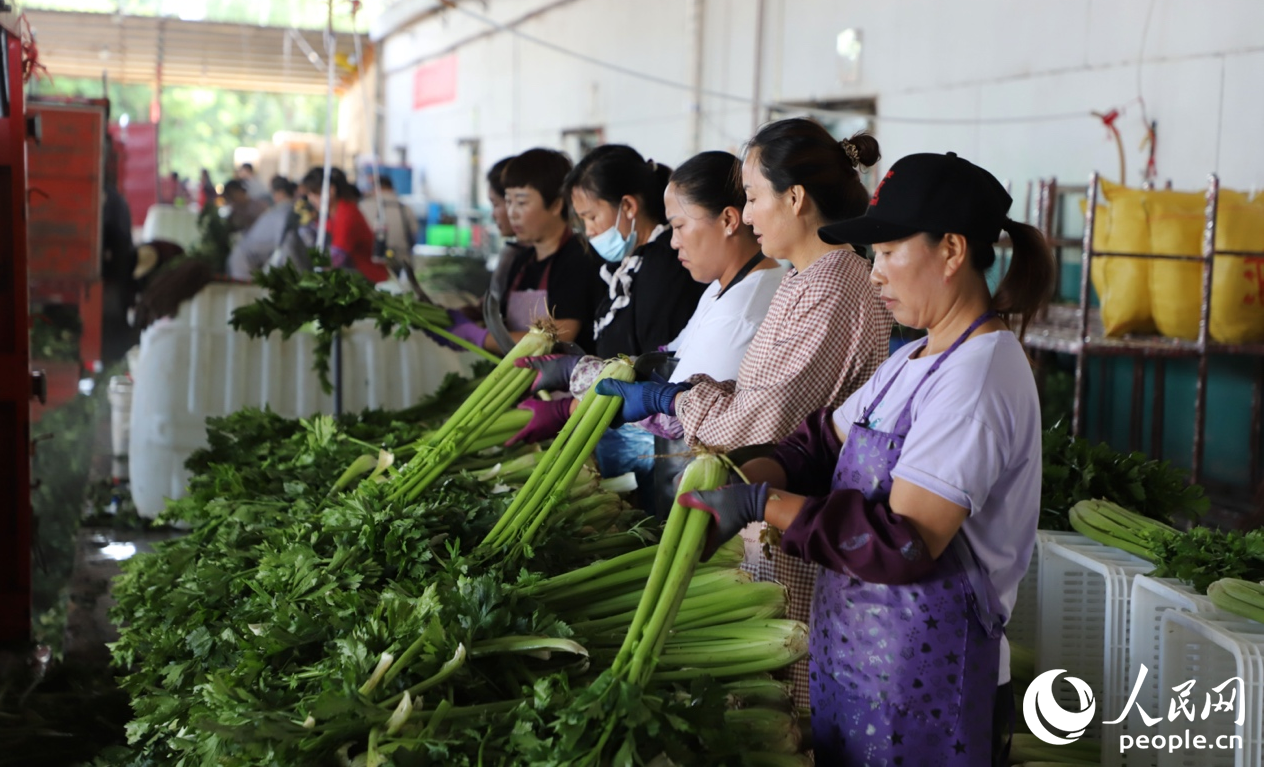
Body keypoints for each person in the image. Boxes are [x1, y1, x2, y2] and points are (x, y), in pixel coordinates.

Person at [680, 151, 1054, 765]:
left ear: (952, 251)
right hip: (863, 672)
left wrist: (759, 504)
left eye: (886, 251)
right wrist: (743, 473)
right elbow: (818, 444)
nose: (874, 273)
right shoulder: (910, 362)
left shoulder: (977, 378)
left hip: (935, 696)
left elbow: (904, 541)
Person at [595, 119, 893, 707]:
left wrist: (672, 398)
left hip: (802, 539)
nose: (749, 215)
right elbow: (759, 390)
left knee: (800, 708)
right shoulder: (805, 280)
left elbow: (764, 419)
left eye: (754, 197)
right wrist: (685, 390)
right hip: (774, 532)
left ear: (795, 198)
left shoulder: (836, 288)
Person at [512, 151, 787, 514]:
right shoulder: (722, 288)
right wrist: (585, 376)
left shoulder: (743, 308)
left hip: (704, 489)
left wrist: (575, 398)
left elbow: (682, 413)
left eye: (679, 226)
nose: (673, 242)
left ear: (728, 220)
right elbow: (667, 355)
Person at [442, 148, 601, 353]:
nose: (512, 213)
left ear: (555, 205)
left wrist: (480, 338)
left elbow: (559, 334)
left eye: (522, 202)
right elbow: (501, 319)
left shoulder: (577, 259)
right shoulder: (521, 262)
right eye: (508, 201)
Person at [302, 166, 387, 283]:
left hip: (368, 278)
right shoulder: (336, 213)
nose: (310, 199)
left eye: (314, 193)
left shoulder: (346, 214)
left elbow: (335, 259)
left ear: (331, 190)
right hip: (357, 275)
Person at [227, 176, 297, 281]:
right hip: (247, 261)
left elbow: (282, 243)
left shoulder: (281, 212)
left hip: (247, 258)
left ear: (280, 193)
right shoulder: (284, 211)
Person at [359, 173, 417, 260]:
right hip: (401, 259)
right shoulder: (405, 208)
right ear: (392, 188)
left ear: (374, 189)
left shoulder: (362, 206)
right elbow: (414, 234)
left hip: (370, 259)